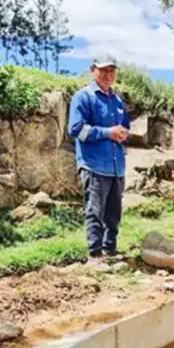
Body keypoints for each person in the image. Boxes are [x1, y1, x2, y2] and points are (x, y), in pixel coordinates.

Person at [67, 55, 130, 269]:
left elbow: (125, 129)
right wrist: (107, 132)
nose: (107, 75)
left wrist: (123, 134)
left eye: (111, 71)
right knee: (94, 211)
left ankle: (109, 250)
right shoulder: (83, 97)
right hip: (93, 165)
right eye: (103, 70)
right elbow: (75, 129)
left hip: (116, 167)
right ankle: (94, 256)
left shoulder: (118, 101)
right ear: (93, 70)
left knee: (114, 212)